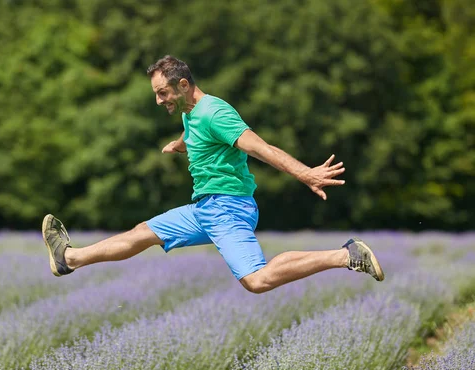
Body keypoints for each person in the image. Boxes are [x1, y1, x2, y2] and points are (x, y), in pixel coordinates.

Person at [42, 55, 384, 294]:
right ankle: (68, 258)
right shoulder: (190, 112)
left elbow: (259, 148)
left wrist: (306, 174)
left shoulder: (215, 113)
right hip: (205, 209)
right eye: (156, 94)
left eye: (163, 93)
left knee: (257, 280)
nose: (159, 100)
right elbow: (197, 135)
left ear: (184, 84)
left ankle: (346, 255)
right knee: (142, 233)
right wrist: (181, 146)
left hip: (228, 208)